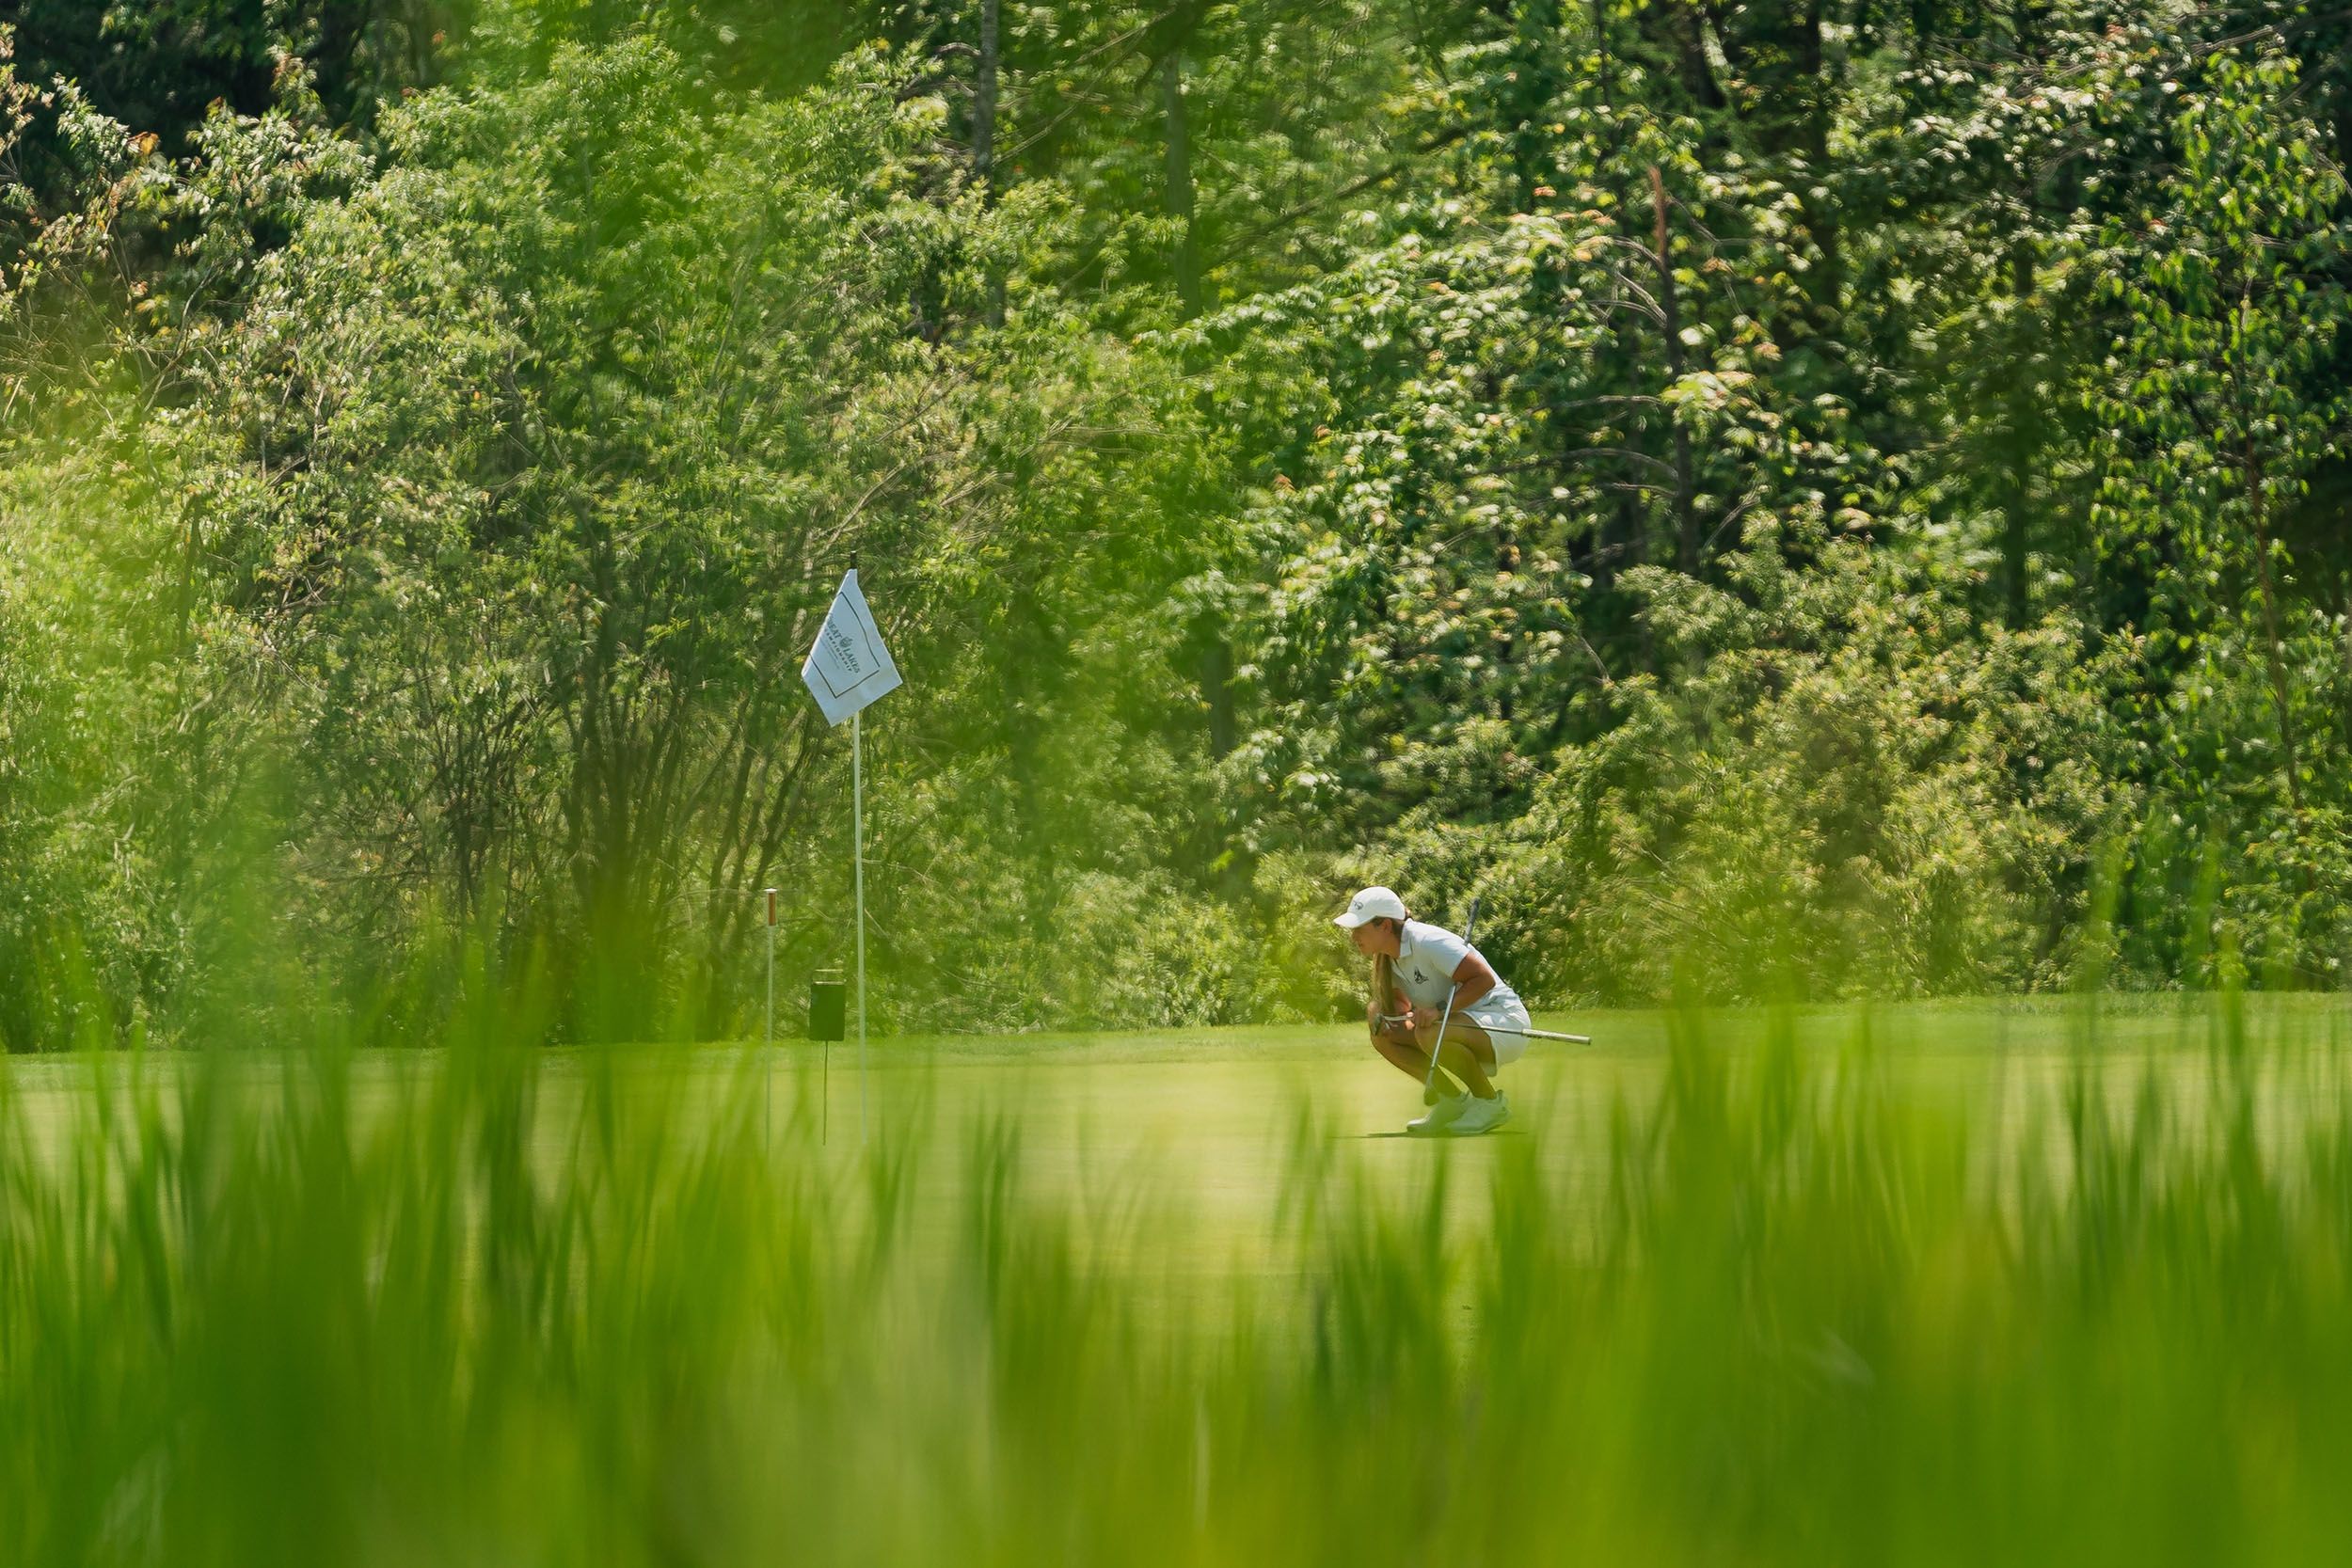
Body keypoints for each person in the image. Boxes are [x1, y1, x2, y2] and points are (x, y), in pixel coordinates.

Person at [1334, 886, 1532, 1135]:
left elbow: (1483, 980)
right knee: (1384, 1035)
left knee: (1429, 1033)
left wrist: (1439, 1011)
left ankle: (1490, 1103)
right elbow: (1402, 1009)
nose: (1353, 937)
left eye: (1359, 928)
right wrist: (1381, 1012)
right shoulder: (1388, 957)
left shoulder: (1427, 941)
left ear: (1384, 926)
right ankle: (1452, 1102)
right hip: (1459, 1025)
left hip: (1503, 1022)